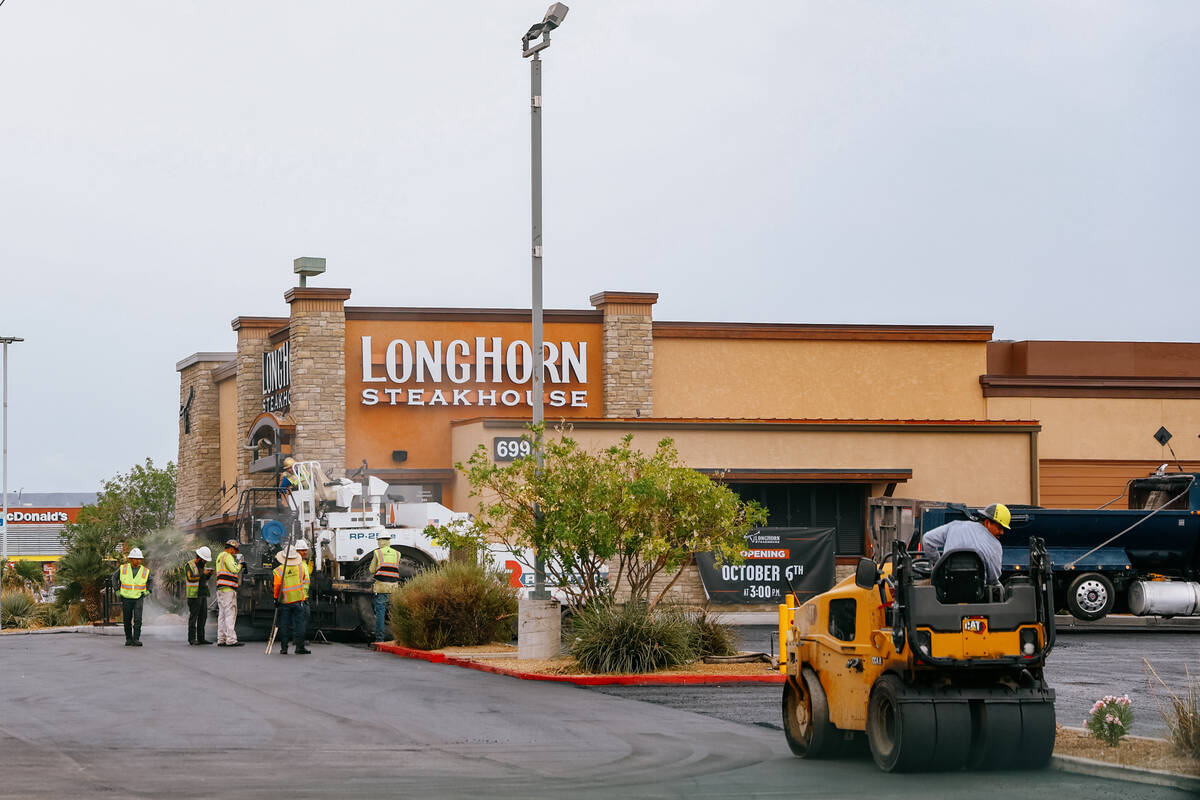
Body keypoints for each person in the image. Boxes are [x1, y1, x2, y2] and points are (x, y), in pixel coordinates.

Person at [920, 503, 1011, 585]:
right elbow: (993, 579)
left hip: (947, 593)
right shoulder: (995, 546)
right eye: (999, 528)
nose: (1002, 532)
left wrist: (939, 564)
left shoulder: (954, 526)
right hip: (977, 597)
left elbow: (927, 540)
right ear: (987, 523)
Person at [272, 545, 311, 655]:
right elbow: (303, 580)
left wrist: (276, 599)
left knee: (284, 625)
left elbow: (277, 587)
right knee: (300, 625)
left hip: (285, 602)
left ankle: (284, 648)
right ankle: (300, 647)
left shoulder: (278, 571)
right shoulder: (301, 567)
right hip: (299, 600)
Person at [369, 533, 403, 643]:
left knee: (380, 613)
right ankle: (397, 639)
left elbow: (371, 570)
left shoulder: (377, 552)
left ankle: (380, 640)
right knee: (394, 613)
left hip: (382, 586)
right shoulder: (397, 553)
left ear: (381, 541)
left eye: (378, 540)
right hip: (394, 587)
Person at [214, 539, 244, 647]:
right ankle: (231, 639)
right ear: (231, 548)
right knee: (230, 614)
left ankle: (221, 639)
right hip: (228, 590)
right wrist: (241, 564)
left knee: (221, 615)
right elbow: (234, 569)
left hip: (221, 589)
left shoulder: (219, 556)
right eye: (235, 550)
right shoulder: (227, 556)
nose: (235, 553)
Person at [118, 547, 151, 646]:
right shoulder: (123, 568)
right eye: (136, 559)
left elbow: (151, 581)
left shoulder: (145, 571)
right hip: (126, 598)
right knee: (127, 620)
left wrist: (148, 590)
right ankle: (128, 639)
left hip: (138, 598)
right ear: (131, 559)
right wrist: (116, 590)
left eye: (140, 559)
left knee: (138, 619)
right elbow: (114, 578)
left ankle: (136, 639)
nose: (138, 561)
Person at [185, 545, 214, 645]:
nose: (205, 562)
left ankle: (201, 638)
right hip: (193, 595)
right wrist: (203, 572)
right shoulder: (190, 565)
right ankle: (192, 639)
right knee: (194, 617)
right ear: (200, 558)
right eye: (204, 560)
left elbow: (203, 579)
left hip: (202, 594)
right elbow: (191, 578)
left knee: (203, 616)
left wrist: (208, 574)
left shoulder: (202, 566)